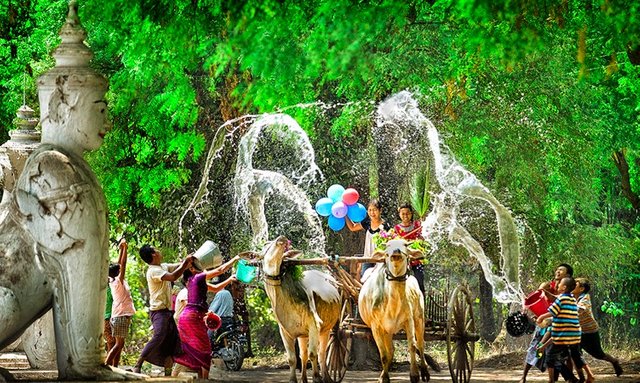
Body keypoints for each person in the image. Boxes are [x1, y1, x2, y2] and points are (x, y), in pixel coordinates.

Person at [173, 256, 239, 379]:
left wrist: (229, 279)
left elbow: (215, 288)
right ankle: (204, 379)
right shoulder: (198, 277)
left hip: (186, 318)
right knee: (205, 350)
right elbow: (220, 270)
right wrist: (235, 259)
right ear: (192, 269)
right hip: (193, 318)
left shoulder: (193, 281)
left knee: (192, 348)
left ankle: (191, 377)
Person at [133, 245, 195, 375]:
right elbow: (173, 277)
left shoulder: (163, 266)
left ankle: (168, 372)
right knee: (159, 335)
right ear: (153, 254)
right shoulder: (153, 271)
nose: (159, 251)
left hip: (166, 311)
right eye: (156, 249)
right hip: (158, 311)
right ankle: (138, 364)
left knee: (172, 342)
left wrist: (190, 261)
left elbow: (178, 266)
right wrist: (185, 264)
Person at [537, 276, 595, 383]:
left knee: (550, 356)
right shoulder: (573, 299)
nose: (557, 285)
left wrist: (541, 317)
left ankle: (551, 380)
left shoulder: (561, 299)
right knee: (576, 356)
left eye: (559, 284)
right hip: (575, 335)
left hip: (563, 336)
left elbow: (553, 312)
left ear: (563, 287)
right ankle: (588, 375)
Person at [573, 278, 623, 377]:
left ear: (582, 288)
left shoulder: (585, 298)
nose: (571, 285)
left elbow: (580, 309)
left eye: (575, 284)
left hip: (590, 331)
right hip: (577, 331)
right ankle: (581, 377)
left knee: (598, 354)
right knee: (574, 354)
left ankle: (614, 361)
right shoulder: (570, 296)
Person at [106, 238, 136, 367]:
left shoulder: (112, 280)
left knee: (119, 344)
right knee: (119, 344)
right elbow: (122, 264)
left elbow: (119, 265)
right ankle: (106, 364)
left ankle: (112, 366)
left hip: (119, 315)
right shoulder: (118, 281)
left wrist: (121, 249)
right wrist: (125, 249)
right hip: (120, 316)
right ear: (118, 273)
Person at [345, 199, 388, 280]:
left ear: (380, 210)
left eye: (375, 210)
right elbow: (352, 227)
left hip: (381, 259)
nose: (372, 213)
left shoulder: (385, 226)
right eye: (370, 210)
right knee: (365, 280)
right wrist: (345, 214)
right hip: (367, 258)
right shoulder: (367, 222)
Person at [394, 202, 425, 293]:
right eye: (403, 214)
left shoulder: (417, 225)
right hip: (402, 260)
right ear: (399, 214)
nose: (405, 216)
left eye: (408, 213)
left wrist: (419, 240)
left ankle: (422, 301)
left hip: (416, 259)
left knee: (420, 282)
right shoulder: (396, 229)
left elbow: (422, 238)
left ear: (411, 214)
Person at [208, 281, 235, 347]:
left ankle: (208, 349)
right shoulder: (228, 293)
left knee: (208, 335)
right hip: (229, 319)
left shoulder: (220, 294)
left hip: (221, 319)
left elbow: (213, 309)